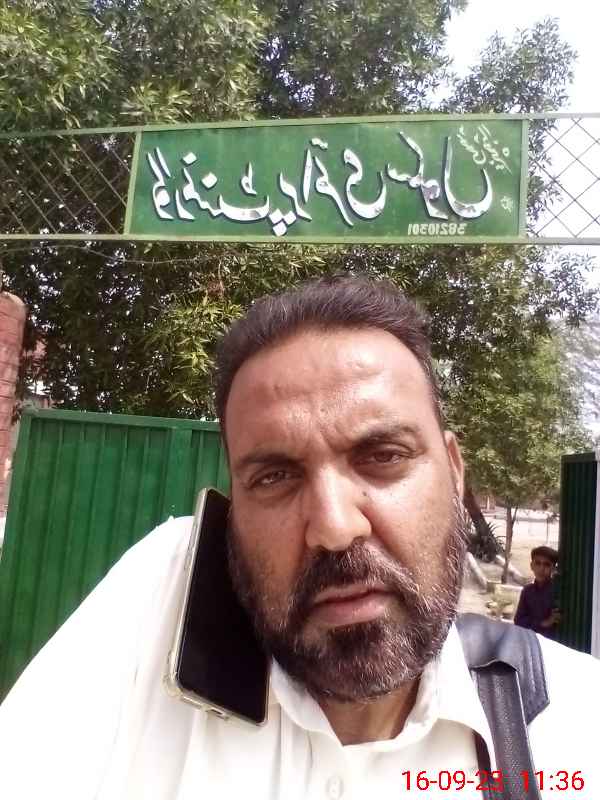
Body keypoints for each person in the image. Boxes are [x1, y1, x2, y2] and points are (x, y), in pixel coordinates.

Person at [0, 274, 598, 799]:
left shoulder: (570, 725)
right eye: (275, 478)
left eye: (384, 456)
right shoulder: (167, 599)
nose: (335, 528)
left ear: (454, 472)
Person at [514, 545, 561, 639]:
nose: (541, 569)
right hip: (530, 640)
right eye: (538, 563)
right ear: (532, 566)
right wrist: (543, 623)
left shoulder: (557, 591)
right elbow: (518, 621)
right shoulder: (527, 591)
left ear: (553, 568)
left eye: (547, 565)